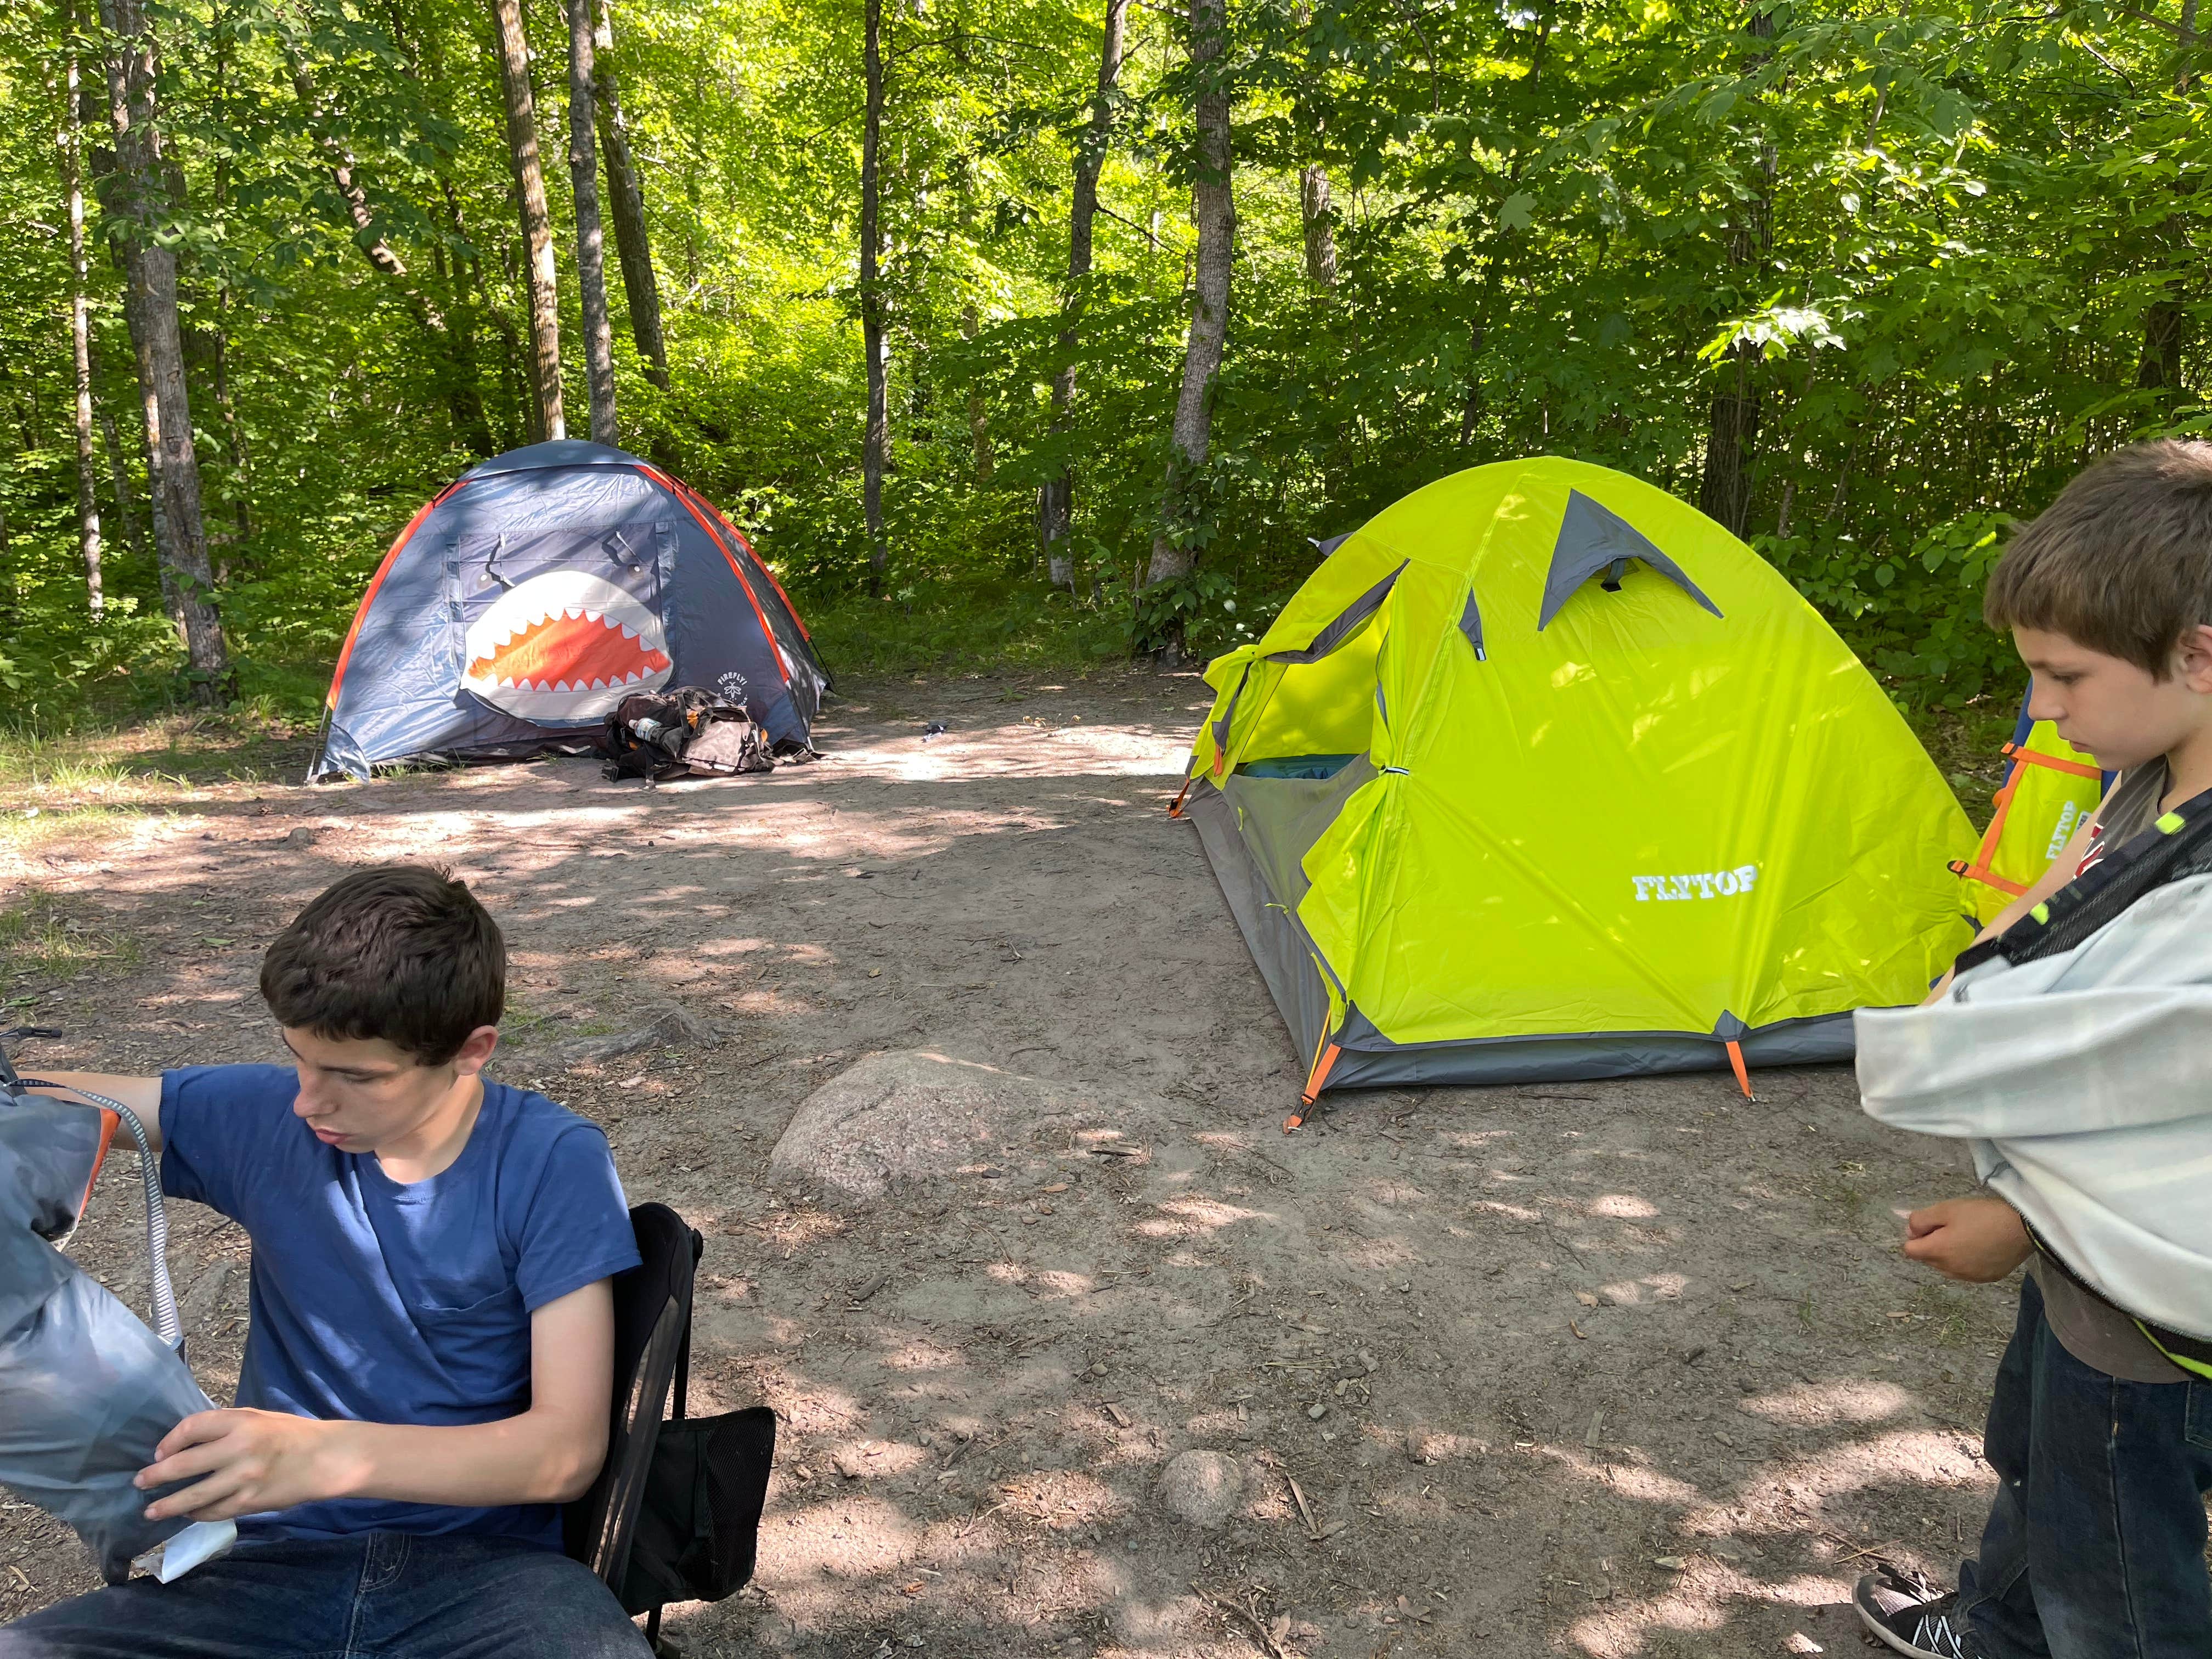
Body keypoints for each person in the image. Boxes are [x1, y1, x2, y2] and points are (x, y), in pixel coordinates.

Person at [1, 864, 650, 1658]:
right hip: (261, 1570)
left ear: (472, 1050)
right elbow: (62, 1102)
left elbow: (563, 1455)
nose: (311, 1100)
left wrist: (322, 1456)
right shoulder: (271, 1120)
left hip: (490, 1578)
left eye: (355, 1076)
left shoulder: (554, 1161)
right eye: (300, 1060)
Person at [1855, 440, 2212, 1659]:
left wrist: (2026, 1212)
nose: (2043, 709)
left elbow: (2175, 1133)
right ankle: (1993, 1629)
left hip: (2153, 1329)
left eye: (2064, 676)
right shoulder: (2150, 781)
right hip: (2083, 1279)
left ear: (2199, 656)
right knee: (2038, 1471)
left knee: (2112, 1568)